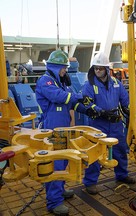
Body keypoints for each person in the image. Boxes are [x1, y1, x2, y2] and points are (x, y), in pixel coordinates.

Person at [35, 49, 88, 216]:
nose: (66, 70)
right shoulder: (46, 82)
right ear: (56, 67)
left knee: (62, 161)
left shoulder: (60, 82)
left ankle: (60, 190)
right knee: (56, 163)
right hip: (52, 128)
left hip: (61, 127)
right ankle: (54, 202)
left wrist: (87, 107)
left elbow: (69, 100)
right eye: (64, 68)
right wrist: (77, 96)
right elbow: (60, 97)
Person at [81, 52, 135, 195]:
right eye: (96, 68)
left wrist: (132, 111)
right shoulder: (89, 85)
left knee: (120, 150)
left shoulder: (116, 84)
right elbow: (87, 103)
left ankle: (122, 175)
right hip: (98, 124)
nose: (98, 71)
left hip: (115, 124)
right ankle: (90, 183)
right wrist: (102, 112)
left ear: (107, 69)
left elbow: (125, 100)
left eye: (101, 68)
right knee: (94, 154)